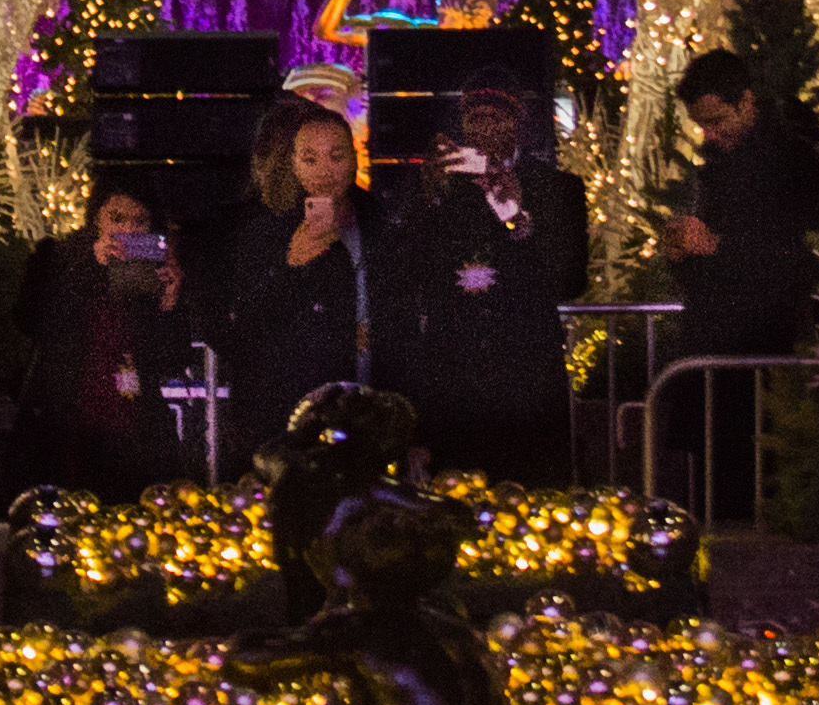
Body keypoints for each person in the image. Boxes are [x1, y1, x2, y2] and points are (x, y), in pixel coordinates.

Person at [391, 83, 587, 481]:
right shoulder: (441, 183)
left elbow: (568, 280)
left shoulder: (555, 188)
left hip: (526, 376)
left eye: (494, 118)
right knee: (457, 498)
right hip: (455, 378)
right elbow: (407, 273)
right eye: (472, 118)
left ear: (517, 124)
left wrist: (517, 216)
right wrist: (429, 194)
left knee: (532, 495)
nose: (482, 129)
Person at [658, 47, 818, 516]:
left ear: (747, 102)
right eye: (702, 124)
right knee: (714, 483)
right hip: (715, 346)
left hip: (760, 349)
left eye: (717, 119)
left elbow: (793, 254)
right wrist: (682, 251)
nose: (711, 133)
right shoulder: (717, 169)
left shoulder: (787, 161)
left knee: (749, 485)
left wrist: (714, 247)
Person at [3, 187, 212, 497]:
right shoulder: (61, 259)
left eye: (139, 222)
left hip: (136, 430)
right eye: (116, 218)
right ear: (96, 220)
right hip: (71, 429)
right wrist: (89, 267)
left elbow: (172, 359)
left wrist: (169, 304)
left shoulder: (150, 276)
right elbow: (32, 321)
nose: (127, 230)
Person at [218, 101, 376, 469]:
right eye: (310, 159)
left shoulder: (378, 222)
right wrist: (290, 265)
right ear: (293, 165)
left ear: (354, 159)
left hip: (368, 404)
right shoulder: (266, 233)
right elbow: (241, 330)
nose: (324, 171)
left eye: (336, 156)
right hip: (290, 415)